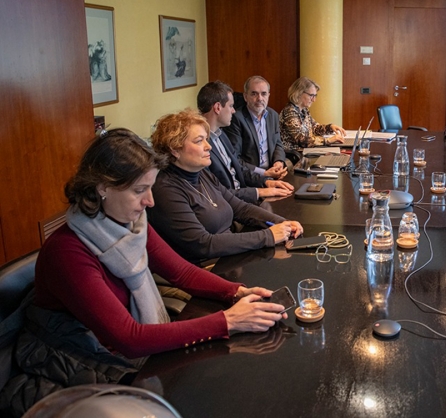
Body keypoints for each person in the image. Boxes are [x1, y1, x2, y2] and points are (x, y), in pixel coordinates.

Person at [0, 130, 288, 415]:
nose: (150, 200)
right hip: (72, 361)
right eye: (139, 190)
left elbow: (181, 273)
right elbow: (129, 339)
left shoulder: (129, 222)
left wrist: (236, 292)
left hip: (110, 348)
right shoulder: (68, 251)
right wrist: (227, 321)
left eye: (150, 187)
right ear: (102, 187)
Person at [148, 110, 303, 265]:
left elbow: (241, 208)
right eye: (198, 141)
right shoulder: (165, 190)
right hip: (204, 268)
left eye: (206, 140)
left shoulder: (202, 174)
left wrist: (282, 223)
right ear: (175, 149)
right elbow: (203, 244)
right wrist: (268, 236)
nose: (208, 146)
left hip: (229, 257)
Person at [197, 80, 293, 203]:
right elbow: (218, 193)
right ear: (217, 108)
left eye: (264, 94)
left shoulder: (221, 135)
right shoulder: (201, 146)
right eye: (231, 106)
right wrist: (259, 192)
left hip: (243, 194)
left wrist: (266, 182)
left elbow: (238, 169)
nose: (233, 110)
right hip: (231, 205)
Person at [224, 76, 288, 179]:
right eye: (254, 94)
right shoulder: (236, 119)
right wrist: (263, 173)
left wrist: (278, 162)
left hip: (273, 172)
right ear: (245, 96)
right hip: (251, 176)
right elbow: (235, 158)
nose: (259, 98)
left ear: (268, 95)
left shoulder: (273, 115)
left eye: (264, 94)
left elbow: (277, 144)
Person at [279, 76, 346, 154]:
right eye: (311, 95)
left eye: (315, 96)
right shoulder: (289, 112)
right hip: (294, 155)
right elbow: (301, 140)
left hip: (306, 151)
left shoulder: (304, 110)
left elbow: (314, 128)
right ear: (299, 93)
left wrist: (330, 127)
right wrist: (328, 140)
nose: (314, 100)